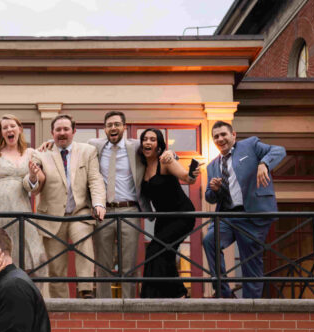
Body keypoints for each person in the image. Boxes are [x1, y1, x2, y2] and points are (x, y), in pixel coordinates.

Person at [203, 121, 286, 299]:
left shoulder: (250, 145)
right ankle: (224, 294)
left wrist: (264, 163)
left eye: (223, 134)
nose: (220, 139)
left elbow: (279, 150)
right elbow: (209, 197)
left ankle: (251, 305)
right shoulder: (212, 166)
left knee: (250, 261)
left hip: (252, 215)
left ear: (233, 135)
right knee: (210, 240)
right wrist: (214, 189)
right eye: (216, 136)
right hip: (227, 215)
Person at [0, 114, 47, 286]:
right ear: (1, 133)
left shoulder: (31, 153)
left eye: (12, 126)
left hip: (20, 209)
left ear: (19, 129)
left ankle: (21, 290)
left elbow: (39, 180)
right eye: (4, 128)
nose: (9, 130)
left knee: (29, 254)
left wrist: (34, 174)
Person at [36, 115, 106, 298]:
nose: (62, 133)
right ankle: (61, 304)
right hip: (51, 216)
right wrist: (32, 177)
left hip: (78, 212)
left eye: (66, 129)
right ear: (52, 133)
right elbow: (33, 187)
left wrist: (99, 203)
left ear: (74, 131)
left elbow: (95, 179)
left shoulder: (87, 151)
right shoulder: (41, 153)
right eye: (58, 130)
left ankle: (86, 289)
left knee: (83, 241)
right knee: (56, 265)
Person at [89, 111, 145, 298]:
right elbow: (70, 147)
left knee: (128, 262)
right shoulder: (94, 146)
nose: (113, 128)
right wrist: (47, 145)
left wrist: (170, 154)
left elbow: (157, 146)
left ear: (124, 127)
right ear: (104, 129)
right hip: (103, 211)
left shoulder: (136, 146)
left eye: (117, 124)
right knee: (102, 262)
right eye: (109, 125)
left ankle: (128, 304)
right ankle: (103, 305)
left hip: (129, 209)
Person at [138, 128, 198, 299]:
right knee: (166, 253)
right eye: (145, 139)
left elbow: (187, 177)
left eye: (153, 139)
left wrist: (192, 173)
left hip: (181, 215)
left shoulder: (165, 161)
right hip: (163, 219)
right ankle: (174, 295)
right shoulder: (141, 166)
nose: (148, 142)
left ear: (159, 145)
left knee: (155, 251)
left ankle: (163, 295)